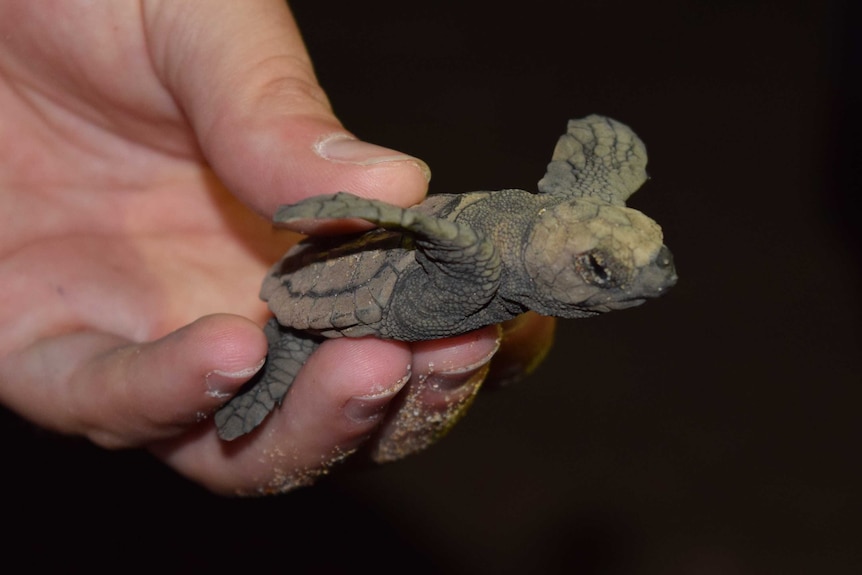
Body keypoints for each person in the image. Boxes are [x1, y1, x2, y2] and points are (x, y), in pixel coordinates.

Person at [0, 0, 554, 495]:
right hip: (326, 294)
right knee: (287, 359)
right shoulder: (481, 261)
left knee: (334, 372)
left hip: (337, 275)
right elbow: (418, 224)